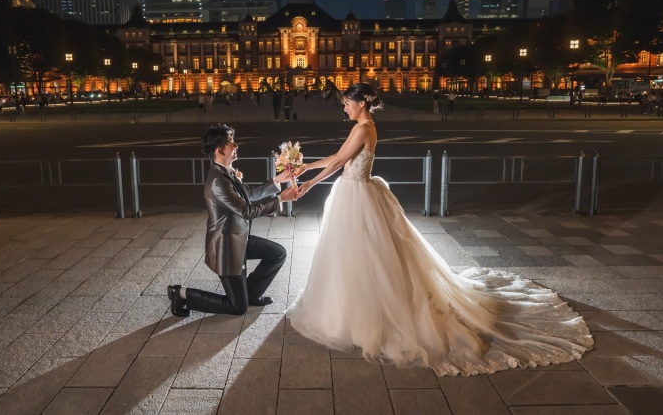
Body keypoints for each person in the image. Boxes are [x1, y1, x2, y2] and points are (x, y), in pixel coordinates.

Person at [287, 82, 593, 376]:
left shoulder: (364, 128)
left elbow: (340, 160)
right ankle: (355, 304)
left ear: (362, 102)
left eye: (347, 103)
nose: (345, 108)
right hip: (355, 194)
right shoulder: (362, 128)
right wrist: (306, 170)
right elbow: (339, 159)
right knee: (358, 255)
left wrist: (310, 181)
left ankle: (365, 310)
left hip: (356, 196)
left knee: (363, 254)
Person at [168, 124, 298, 317]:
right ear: (219, 150)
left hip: (239, 238)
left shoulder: (226, 172)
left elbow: (250, 194)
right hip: (226, 248)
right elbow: (246, 210)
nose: (236, 145)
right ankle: (181, 294)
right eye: (230, 142)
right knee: (237, 307)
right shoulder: (218, 180)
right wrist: (281, 199)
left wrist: (278, 181)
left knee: (277, 254)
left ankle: (252, 294)